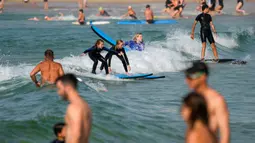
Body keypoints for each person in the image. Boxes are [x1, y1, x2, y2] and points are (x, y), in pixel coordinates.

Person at [184, 62, 230, 143]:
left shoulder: (217, 100)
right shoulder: (191, 99)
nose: (187, 80)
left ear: (203, 77)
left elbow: (225, 132)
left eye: (191, 76)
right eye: (187, 77)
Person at [56, 74, 92, 143]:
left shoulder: (74, 107)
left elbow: (77, 135)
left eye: (59, 88)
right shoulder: (85, 105)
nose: (59, 92)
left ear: (68, 87)